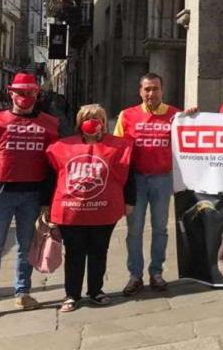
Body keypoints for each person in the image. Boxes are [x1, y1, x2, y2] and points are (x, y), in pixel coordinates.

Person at [0, 73, 59, 320]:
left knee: (26, 246)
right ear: (11, 93)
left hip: (32, 194)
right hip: (0, 193)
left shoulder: (50, 124)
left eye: (30, 93)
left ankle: (22, 292)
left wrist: (48, 201)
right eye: (20, 92)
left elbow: (55, 164)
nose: (25, 97)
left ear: (37, 95)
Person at [45, 104, 134, 312]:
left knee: (99, 251)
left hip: (103, 211)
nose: (94, 121)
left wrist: (130, 201)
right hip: (72, 211)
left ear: (104, 123)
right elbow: (51, 178)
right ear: (79, 122)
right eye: (88, 117)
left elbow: (128, 175)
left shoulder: (118, 147)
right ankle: (72, 294)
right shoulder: (62, 146)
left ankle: (96, 290)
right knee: (74, 252)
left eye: (98, 118)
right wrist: (46, 206)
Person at [114, 72, 179, 295]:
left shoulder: (175, 115)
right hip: (135, 181)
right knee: (134, 230)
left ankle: (156, 272)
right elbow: (117, 150)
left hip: (163, 178)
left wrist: (192, 116)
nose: (151, 93)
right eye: (147, 89)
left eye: (156, 88)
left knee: (160, 228)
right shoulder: (126, 116)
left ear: (163, 90)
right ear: (140, 91)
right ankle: (135, 275)